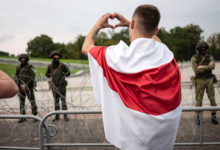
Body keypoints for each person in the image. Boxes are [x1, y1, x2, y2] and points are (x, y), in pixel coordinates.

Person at [82, 5, 182, 150]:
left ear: (134, 24)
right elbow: (156, 41)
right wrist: (130, 23)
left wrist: (98, 25)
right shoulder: (166, 54)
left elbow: (86, 47)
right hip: (163, 139)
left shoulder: (117, 57)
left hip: (135, 141)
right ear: (156, 30)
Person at [191, 41, 218, 125]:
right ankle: (198, 117)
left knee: (212, 98)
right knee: (199, 99)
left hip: (209, 80)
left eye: (205, 49)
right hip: (199, 81)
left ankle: (213, 116)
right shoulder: (194, 58)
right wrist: (207, 67)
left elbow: (213, 66)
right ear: (198, 49)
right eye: (202, 49)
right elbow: (196, 70)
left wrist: (202, 67)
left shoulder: (210, 57)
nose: (203, 50)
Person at [45, 50, 70, 122]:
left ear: (59, 56)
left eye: (57, 55)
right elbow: (47, 74)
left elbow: (68, 73)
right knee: (56, 101)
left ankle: (65, 116)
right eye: (54, 55)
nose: (56, 56)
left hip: (62, 85)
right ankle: (57, 116)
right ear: (52, 56)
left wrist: (64, 73)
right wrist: (50, 75)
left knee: (63, 101)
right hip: (54, 86)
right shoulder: (50, 66)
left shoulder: (62, 65)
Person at [15, 54, 38, 123]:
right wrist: (19, 85)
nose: (23, 59)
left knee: (32, 101)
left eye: (24, 58)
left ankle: (35, 116)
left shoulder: (30, 67)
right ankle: (22, 117)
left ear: (26, 59)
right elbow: (16, 77)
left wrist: (26, 85)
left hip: (29, 87)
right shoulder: (18, 68)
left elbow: (32, 76)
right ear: (20, 59)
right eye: (21, 58)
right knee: (22, 102)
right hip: (21, 87)